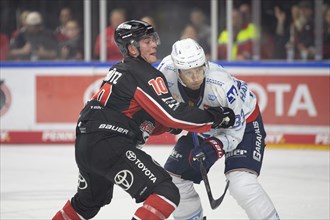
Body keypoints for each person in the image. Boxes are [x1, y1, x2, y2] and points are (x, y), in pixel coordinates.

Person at [52, 20, 235, 220]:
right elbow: (173, 114)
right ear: (132, 48)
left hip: (87, 143)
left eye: (153, 39)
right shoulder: (145, 74)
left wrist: (168, 125)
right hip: (109, 143)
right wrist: (216, 117)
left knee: (88, 202)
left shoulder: (121, 69)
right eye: (147, 41)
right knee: (166, 191)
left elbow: (140, 118)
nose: (154, 44)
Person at [158, 38, 280, 220]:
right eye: (189, 72)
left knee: (241, 183)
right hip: (204, 124)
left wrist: (214, 147)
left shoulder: (221, 84)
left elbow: (235, 130)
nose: (195, 78)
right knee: (173, 179)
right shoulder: (165, 72)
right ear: (177, 71)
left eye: (199, 69)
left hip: (244, 122)